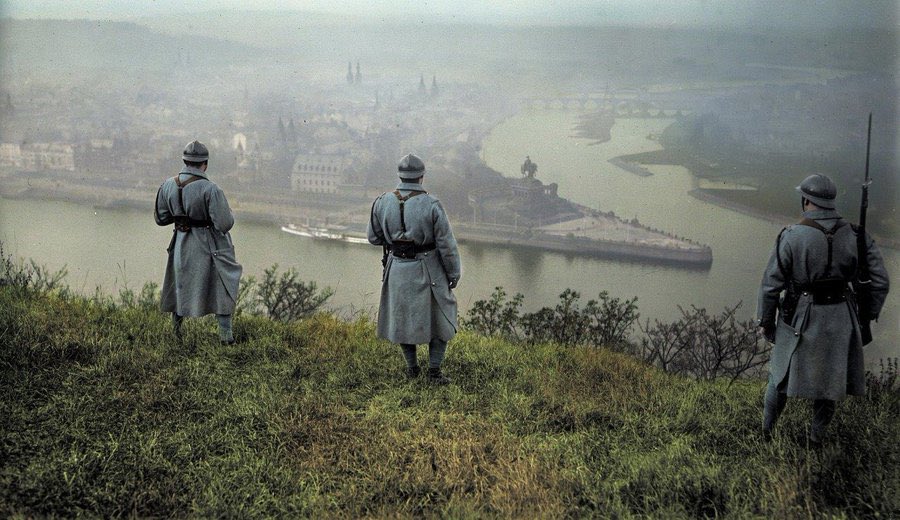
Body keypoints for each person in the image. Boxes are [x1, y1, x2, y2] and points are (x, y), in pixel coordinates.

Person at [757, 173, 889, 446]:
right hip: (842, 317)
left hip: (799, 317)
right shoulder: (857, 234)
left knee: (779, 377)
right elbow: (880, 283)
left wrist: (767, 323)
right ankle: (816, 441)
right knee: (830, 383)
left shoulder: (791, 236)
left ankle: (766, 435)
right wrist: (865, 315)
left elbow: (771, 286)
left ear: (806, 201)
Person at [367, 153, 462, 384]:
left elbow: (373, 237)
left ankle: (412, 370)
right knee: (441, 316)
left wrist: (396, 240)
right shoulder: (432, 204)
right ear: (421, 177)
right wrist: (453, 273)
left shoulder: (381, 201)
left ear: (400, 175)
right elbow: (446, 246)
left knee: (402, 319)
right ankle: (434, 372)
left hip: (397, 269)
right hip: (428, 267)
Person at [154, 140, 243, 345]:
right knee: (222, 287)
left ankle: (175, 335)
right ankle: (226, 338)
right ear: (205, 164)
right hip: (209, 246)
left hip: (180, 244)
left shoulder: (167, 185)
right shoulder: (211, 189)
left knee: (180, 286)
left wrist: (180, 216)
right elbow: (224, 224)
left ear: (184, 161)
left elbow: (161, 218)